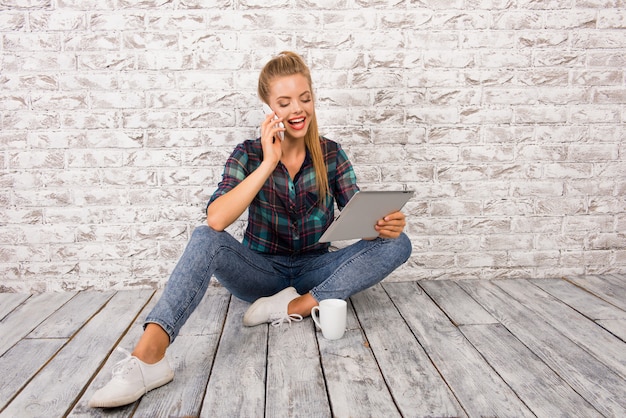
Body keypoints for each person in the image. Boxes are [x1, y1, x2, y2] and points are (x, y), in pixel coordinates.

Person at [89, 51, 412, 408]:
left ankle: (298, 305)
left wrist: (381, 226)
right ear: (268, 106)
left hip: (314, 269)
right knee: (203, 238)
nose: (297, 109)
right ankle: (149, 358)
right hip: (261, 272)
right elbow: (216, 220)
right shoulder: (247, 154)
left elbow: (357, 218)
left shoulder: (331, 154)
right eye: (285, 102)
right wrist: (269, 161)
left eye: (305, 99)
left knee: (399, 244)